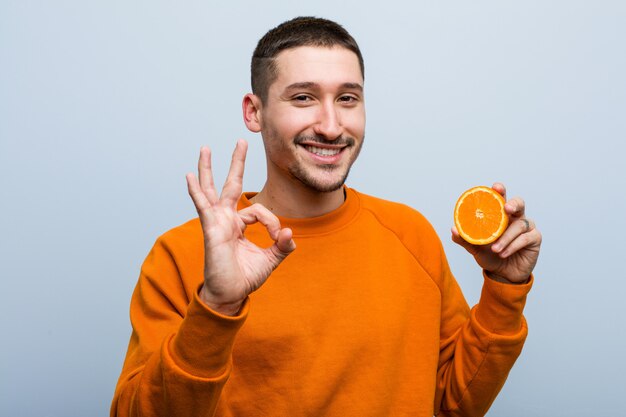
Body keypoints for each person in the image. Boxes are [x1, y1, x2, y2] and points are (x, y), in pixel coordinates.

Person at [111, 16, 542, 417]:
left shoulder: (410, 234)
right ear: (254, 111)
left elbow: (452, 403)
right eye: (303, 98)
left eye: (348, 99)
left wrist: (505, 287)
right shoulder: (183, 254)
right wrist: (217, 305)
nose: (332, 126)